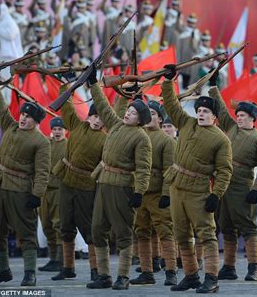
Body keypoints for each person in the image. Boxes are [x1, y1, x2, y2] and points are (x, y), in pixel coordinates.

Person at [161, 64, 232, 293]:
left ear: (214, 117)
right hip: (176, 186)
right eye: (199, 111)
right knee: (181, 234)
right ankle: (191, 276)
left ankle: (211, 278)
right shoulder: (186, 122)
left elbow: (224, 171)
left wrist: (216, 194)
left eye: (205, 112)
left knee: (206, 234)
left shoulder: (221, 140)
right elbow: (171, 105)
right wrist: (168, 81)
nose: (201, 114)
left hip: (199, 190)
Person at [86, 67, 152, 290]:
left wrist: (139, 192)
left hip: (122, 187)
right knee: (97, 229)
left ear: (140, 119)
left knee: (123, 233)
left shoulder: (142, 138)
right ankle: (104, 275)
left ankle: (123, 276)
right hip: (103, 183)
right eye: (128, 110)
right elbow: (104, 107)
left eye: (133, 113)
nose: (127, 113)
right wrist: (94, 84)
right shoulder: (115, 125)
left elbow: (144, 168)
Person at [0, 68, 50, 287]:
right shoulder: (10, 126)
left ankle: (30, 273)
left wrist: (37, 194)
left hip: (20, 189)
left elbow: (42, 171)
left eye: (28, 117)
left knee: (26, 232)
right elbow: (0, 107)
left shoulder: (41, 142)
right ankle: (2, 270)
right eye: (22, 114)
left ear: (36, 121)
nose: (23, 118)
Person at [208, 79, 257, 282]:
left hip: (242, 185)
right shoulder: (232, 128)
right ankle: (229, 266)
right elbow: (222, 110)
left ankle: (253, 268)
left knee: (248, 227)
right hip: (223, 183)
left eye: (243, 116)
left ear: (252, 118)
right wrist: (214, 87)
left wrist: (256, 189)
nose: (239, 118)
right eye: (239, 115)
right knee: (225, 225)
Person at [51, 86, 106, 282]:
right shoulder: (76, 125)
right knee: (65, 225)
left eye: (101, 118)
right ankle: (68, 267)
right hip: (66, 182)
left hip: (87, 187)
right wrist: (65, 87)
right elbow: (66, 108)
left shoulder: (105, 140)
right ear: (89, 116)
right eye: (95, 116)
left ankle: (95, 269)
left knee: (89, 228)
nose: (97, 121)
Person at [130, 100, 177, 286]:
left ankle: (171, 271)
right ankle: (147, 271)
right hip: (140, 193)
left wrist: (166, 194)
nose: (150, 116)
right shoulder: (137, 135)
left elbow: (169, 170)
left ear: (159, 117)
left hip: (158, 194)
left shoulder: (166, 141)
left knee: (165, 232)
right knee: (141, 232)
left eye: (153, 113)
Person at [38, 118, 67, 273]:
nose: (57, 132)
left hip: (59, 190)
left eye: (60, 129)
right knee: (46, 224)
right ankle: (53, 259)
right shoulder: (46, 144)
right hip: (44, 190)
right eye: (55, 129)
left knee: (58, 224)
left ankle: (62, 260)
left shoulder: (69, 145)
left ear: (65, 131)